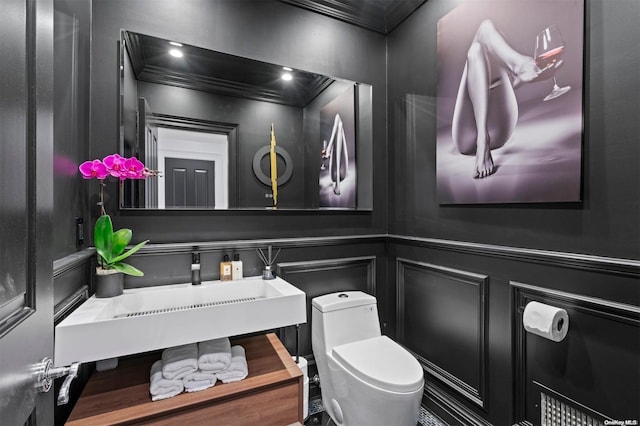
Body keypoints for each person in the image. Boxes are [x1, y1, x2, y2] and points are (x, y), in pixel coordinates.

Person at [451, 19, 556, 178]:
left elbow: (506, 86)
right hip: (501, 129)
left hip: (476, 134)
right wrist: (520, 79)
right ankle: (519, 65)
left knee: (481, 41)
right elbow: (508, 85)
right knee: (479, 44)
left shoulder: (495, 41)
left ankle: (483, 140)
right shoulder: (494, 42)